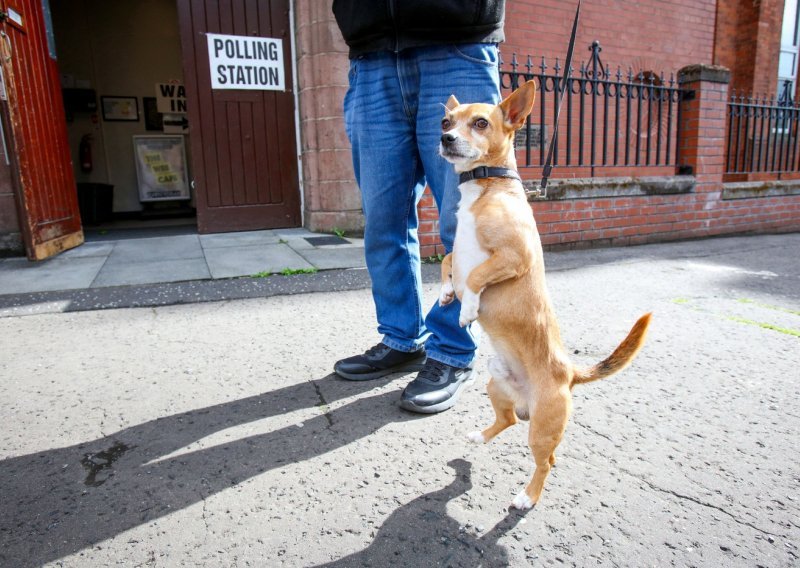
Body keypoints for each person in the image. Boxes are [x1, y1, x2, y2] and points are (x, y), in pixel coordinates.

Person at [331, 1, 506, 414]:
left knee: (464, 224)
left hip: (458, 44)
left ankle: (451, 350)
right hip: (371, 59)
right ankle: (401, 337)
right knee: (382, 222)